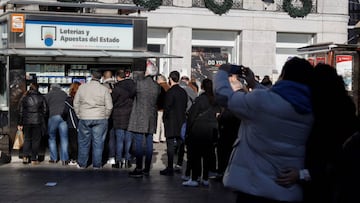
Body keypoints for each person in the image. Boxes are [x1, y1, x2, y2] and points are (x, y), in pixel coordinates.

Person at [214, 58, 314, 203]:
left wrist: (222, 72)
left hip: (255, 188)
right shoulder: (310, 110)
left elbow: (224, 96)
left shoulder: (261, 101)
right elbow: (279, 100)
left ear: (283, 75)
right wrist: (254, 84)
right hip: (288, 190)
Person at [276, 63, 358, 203]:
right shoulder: (346, 111)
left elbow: (332, 160)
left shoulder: (320, 117)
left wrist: (302, 174)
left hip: (321, 187)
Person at [182, 78, 220, 187]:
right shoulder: (215, 100)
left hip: (198, 130)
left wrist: (187, 131)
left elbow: (192, 116)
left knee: (196, 156)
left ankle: (195, 177)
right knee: (207, 155)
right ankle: (205, 178)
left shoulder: (200, 99)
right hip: (211, 130)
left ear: (202, 87)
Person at [74, 70, 113, 169]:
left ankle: (82, 164)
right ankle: (97, 164)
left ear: (91, 76)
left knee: (83, 142)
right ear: (101, 78)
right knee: (98, 142)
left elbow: (76, 103)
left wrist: (79, 115)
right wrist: (106, 116)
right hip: (100, 117)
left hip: (85, 117)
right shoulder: (104, 89)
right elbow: (109, 106)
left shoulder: (82, 87)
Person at [128, 64, 160, 178]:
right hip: (151, 116)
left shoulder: (139, 84)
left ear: (147, 72)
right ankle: (146, 168)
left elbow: (131, 94)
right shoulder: (157, 86)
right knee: (149, 142)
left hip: (139, 115)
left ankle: (139, 167)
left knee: (138, 143)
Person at [160, 71, 188, 176]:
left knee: (170, 145)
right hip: (181, 120)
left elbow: (166, 107)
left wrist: (164, 118)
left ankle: (170, 166)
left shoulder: (170, 92)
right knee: (181, 144)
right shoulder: (183, 92)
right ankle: (179, 164)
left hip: (171, 121)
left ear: (170, 79)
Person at [17, 83, 48, 165]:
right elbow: (45, 110)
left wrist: (20, 123)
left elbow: (20, 111)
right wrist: (41, 117)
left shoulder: (24, 97)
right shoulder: (41, 97)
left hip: (26, 121)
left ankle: (25, 157)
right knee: (36, 140)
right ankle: (34, 159)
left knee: (27, 139)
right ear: (37, 88)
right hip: (37, 121)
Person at [111, 69, 136, 168]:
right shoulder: (133, 86)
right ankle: (128, 160)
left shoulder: (116, 88)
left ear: (117, 77)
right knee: (128, 139)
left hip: (119, 116)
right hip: (130, 115)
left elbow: (112, 101)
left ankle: (119, 160)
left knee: (119, 140)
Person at [44, 83, 69, 165]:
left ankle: (54, 158)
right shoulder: (64, 94)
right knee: (64, 138)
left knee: (52, 137)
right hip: (63, 117)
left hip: (53, 117)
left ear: (51, 88)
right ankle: (65, 159)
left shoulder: (48, 95)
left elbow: (45, 107)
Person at [61, 82, 81, 166]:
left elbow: (64, 112)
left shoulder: (68, 100)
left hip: (72, 123)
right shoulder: (82, 99)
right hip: (82, 123)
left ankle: (74, 159)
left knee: (73, 142)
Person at [153, 74, 170, 143]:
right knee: (163, 124)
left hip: (159, 108)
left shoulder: (158, 87)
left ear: (160, 80)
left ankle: (156, 138)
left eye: (157, 79)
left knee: (157, 124)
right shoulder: (168, 87)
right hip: (166, 108)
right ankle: (163, 137)